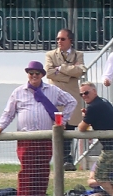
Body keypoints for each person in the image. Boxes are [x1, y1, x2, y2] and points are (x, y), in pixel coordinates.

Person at [0, 61, 77, 196]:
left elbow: (71, 101)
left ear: (42, 75)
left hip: (46, 138)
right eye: (31, 73)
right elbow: (8, 113)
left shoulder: (52, 90)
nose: (33, 76)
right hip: (27, 138)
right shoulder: (18, 92)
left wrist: (63, 121)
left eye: (37, 73)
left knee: (42, 172)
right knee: (27, 173)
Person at [45, 28, 85, 168]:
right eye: (57, 39)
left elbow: (80, 71)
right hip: (55, 98)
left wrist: (60, 68)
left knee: (69, 128)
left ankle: (68, 159)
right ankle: (59, 159)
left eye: (62, 39)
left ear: (70, 40)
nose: (59, 42)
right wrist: (69, 72)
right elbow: (49, 73)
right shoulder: (50, 55)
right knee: (57, 128)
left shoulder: (78, 55)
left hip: (71, 98)